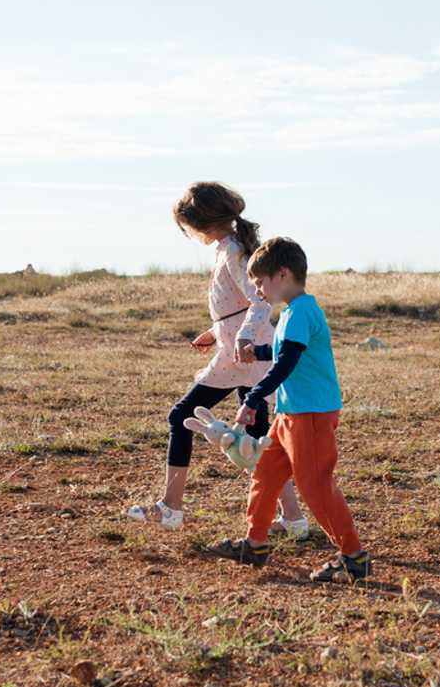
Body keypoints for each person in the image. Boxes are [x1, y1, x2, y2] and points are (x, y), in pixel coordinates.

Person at [125, 183, 307, 535]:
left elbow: (259, 301)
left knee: (186, 417)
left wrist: (240, 336)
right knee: (254, 439)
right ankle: (294, 520)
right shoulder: (229, 249)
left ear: (197, 224)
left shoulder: (235, 252)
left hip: (246, 354)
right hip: (236, 351)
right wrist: (217, 331)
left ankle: (172, 509)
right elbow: (236, 306)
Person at [205, 236, 371, 583]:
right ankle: (255, 544)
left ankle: (354, 557)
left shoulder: (301, 313)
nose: (258, 290)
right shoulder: (295, 313)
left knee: (315, 486)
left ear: (282, 274)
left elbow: (287, 366)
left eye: (259, 282)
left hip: (309, 415)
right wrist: (258, 354)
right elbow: (285, 356)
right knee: (266, 476)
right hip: (291, 412)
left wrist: (253, 398)